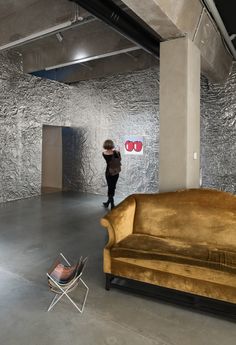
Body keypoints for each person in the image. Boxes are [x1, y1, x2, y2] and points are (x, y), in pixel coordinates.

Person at [102, 139, 121, 210]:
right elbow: (119, 160)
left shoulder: (104, 153)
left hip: (108, 172)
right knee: (113, 187)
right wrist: (119, 151)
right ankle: (111, 203)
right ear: (112, 145)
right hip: (116, 172)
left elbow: (109, 158)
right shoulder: (116, 152)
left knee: (110, 186)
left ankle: (110, 202)